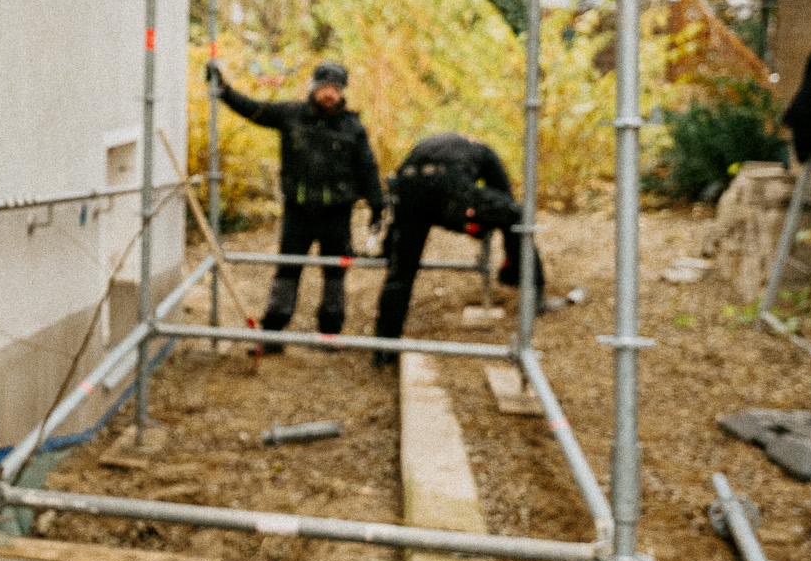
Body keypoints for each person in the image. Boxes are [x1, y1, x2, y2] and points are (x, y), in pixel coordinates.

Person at [205, 60, 385, 347]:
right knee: (288, 269)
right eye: (325, 87)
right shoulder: (291, 115)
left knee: (335, 272)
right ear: (314, 87)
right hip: (298, 213)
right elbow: (254, 109)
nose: (330, 94)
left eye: (336, 89)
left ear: (342, 92)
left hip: (337, 214)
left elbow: (367, 166)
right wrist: (224, 90)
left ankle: (329, 333)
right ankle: (273, 334)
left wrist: (377, 204)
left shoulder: (352, 126)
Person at [372, 131, 551, 364]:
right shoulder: (485, 152)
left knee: (401, 271)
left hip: (409, 189)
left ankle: (383, 348)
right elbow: (503, 194)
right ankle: (529, 285)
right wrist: (477, 221)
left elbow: (396, 215)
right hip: (449, 190)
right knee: (516, 215)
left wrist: (389, 248)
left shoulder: (428, 143)